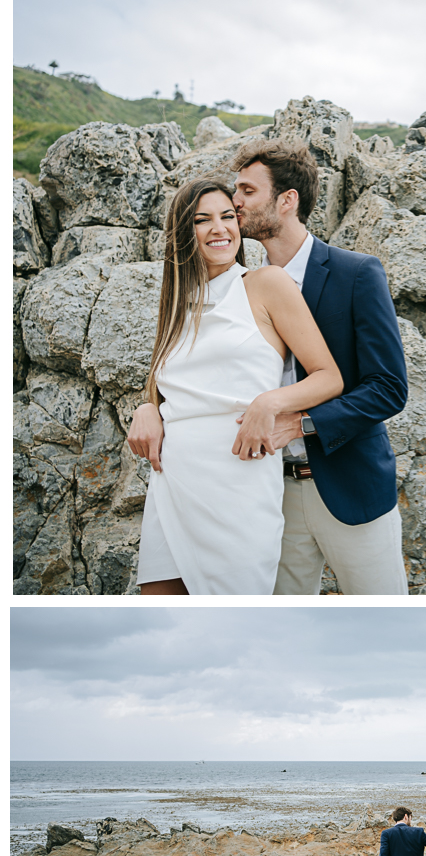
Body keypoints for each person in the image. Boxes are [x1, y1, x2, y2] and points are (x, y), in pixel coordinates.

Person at [129, 138, 410, 595]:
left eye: (246, 192)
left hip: (345, 483)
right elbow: (193, 373)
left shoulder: (356, 273)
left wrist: (299, 423)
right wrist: (149, 408)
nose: (235, 203)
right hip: (267, 484)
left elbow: (388, 388)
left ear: (287, 200)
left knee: (383, 613)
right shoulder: (231, 283)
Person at [128, 177, 343, 595]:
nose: (219, 228)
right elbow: (169, 381)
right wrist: (147, 407)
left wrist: (269, 403)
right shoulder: (176, 299)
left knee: (235, 620)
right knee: (161, 614)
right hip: (174, 479)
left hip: (239, 481)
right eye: (202, 220)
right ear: (183, 232)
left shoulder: (265, 284)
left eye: (228, 216)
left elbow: (328, 377)